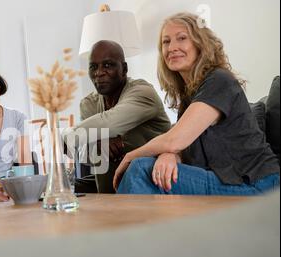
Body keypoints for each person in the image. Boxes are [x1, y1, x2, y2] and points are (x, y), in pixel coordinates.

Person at [113, 12, 280, 195]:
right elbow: (180, 145)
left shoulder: (219, 80)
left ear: (200, 44)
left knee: (141, 169)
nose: (172, 47)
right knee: (153, 170)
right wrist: (169, 154)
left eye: (182, 38)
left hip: (258, 186)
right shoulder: (190, 97)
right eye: (166, 41)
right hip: (227, 180)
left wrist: (130, 156)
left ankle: (119, 223)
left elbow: (174, 140)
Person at [63, 40, 171, 193]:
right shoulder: (89, 104)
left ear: (124, 69)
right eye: (93, 67)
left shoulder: (143, 92)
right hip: (109, 195)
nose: (99, 72)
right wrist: (98, 144)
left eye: (107, 65)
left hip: (156, 188)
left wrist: (61, 137)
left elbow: (109, 123)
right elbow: (87, 154)